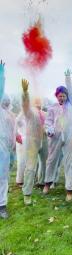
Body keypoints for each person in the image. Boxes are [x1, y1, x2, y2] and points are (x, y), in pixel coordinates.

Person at [43, 69, 72, 202]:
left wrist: (68, 77)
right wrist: (49, 130)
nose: (62, 97)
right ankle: (47, 183)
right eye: (60, 96)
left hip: (70, 138)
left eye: (64, 95)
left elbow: (71, 90)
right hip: (56, 137)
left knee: (70, 162)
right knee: (51, 160)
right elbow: (48, 122)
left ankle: (69, 190)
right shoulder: (52, 108)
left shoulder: (71, 105)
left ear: (67, 96)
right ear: (56, 96)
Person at [20, 79, 46, 205]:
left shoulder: (45, 114)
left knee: (45, 163)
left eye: (40, 101)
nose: (38, 103)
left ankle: (42, 182)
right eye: (36, 101)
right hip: (32, 141)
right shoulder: (31, 112)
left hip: (44, 140)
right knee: (30, 166)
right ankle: (27, 194)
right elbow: (25, 106)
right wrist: (25, 93)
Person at [0, 60, 16, 219]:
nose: (6, 101)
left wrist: (12, 149)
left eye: (7, 100)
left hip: (5, 151)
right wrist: (1, 75)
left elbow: (13, 133)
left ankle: (2, 205)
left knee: (3, 177)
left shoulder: (10, 116)